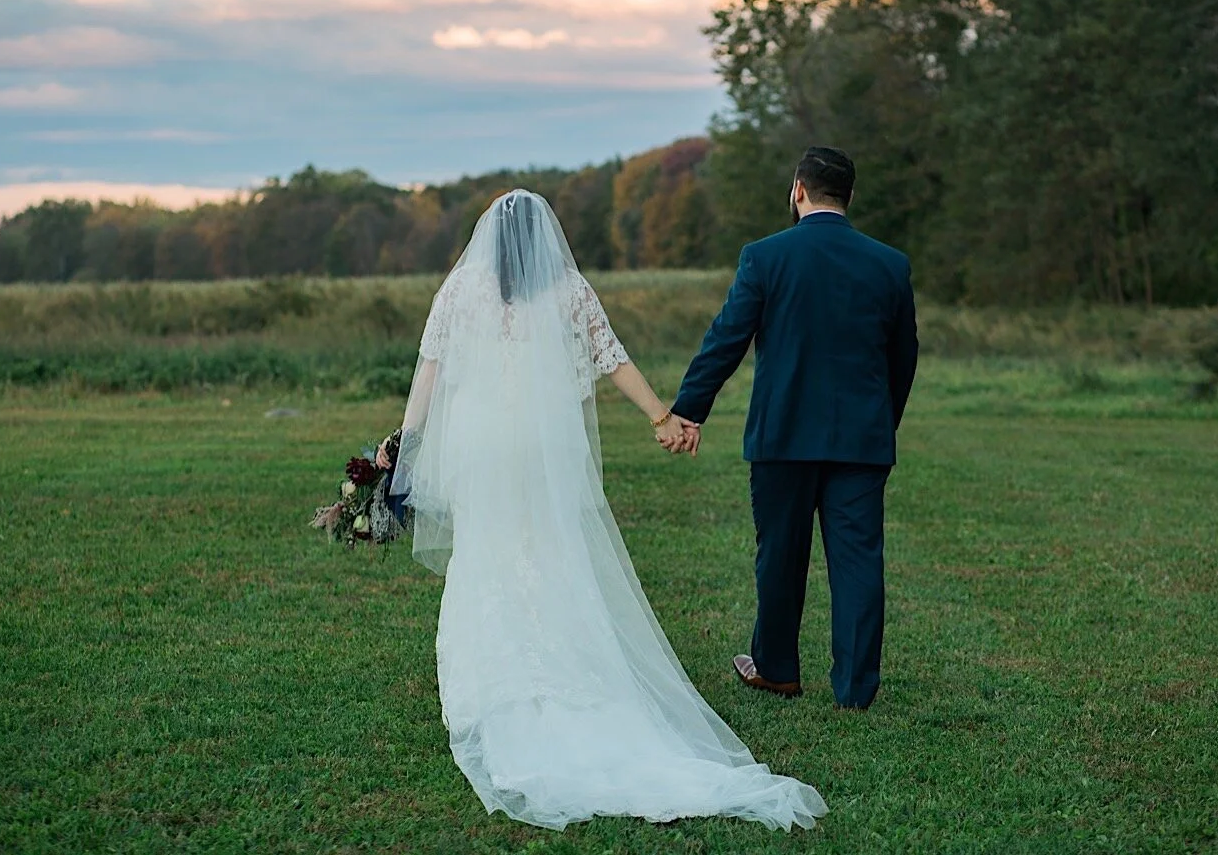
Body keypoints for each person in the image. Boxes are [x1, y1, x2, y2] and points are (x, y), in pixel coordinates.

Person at [374, 188, 826, 832]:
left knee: (490, 549)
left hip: (479, 446)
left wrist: (403, 445)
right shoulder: (568, 291)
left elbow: (429, 373)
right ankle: (566, 665)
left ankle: (494, 682)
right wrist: (662, 417)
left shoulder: (459, 291)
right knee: (552, 546)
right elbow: (614, 360)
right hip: (544, 443)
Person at [667, 146, 919, 711]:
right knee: (858, 560)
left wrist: (689, 409)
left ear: (798, 190)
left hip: (783, 435)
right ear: (848, 196)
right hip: (861, 439)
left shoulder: (765, 257)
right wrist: (882, 422)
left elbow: (726, 340)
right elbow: (904, 360)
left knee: (780, 553)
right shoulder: (889, 263)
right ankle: (855, 690)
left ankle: (777, 669)